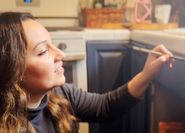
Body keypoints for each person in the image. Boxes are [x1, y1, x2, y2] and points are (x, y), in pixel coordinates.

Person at [0, 12, 173, 133]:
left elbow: (106, 106)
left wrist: (146, 74)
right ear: (13, 69)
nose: (60, 54)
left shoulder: (61, 94)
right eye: (43, 51)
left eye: (52, 44)